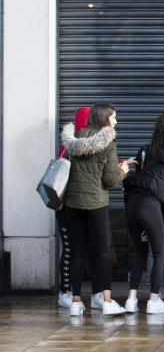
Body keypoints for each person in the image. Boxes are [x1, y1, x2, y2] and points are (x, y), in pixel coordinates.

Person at [60, 102, 136, 316]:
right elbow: (110, 180)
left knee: (77, 252)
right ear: (104, 119)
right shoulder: (108, 143)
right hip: (96, 204)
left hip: (72, 204)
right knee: (101, 252)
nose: (116, 121)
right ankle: (107, 301)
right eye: (113, 117)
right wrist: (124, 169)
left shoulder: (73, 139)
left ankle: (75, 302)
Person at [122, 113, 164, 314]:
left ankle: (131, 300)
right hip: (151, 206)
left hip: (133, 203)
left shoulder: (147, 154)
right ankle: (154, 300)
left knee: (140, 252)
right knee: (160, 252)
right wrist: (158, 221)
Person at [55, 106, 89, 309]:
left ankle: (69, 291)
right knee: (70, 248)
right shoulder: (70, 146)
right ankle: (65, 291)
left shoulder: (74, 144)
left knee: (75, 248)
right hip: (66, 206)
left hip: (73, 205)